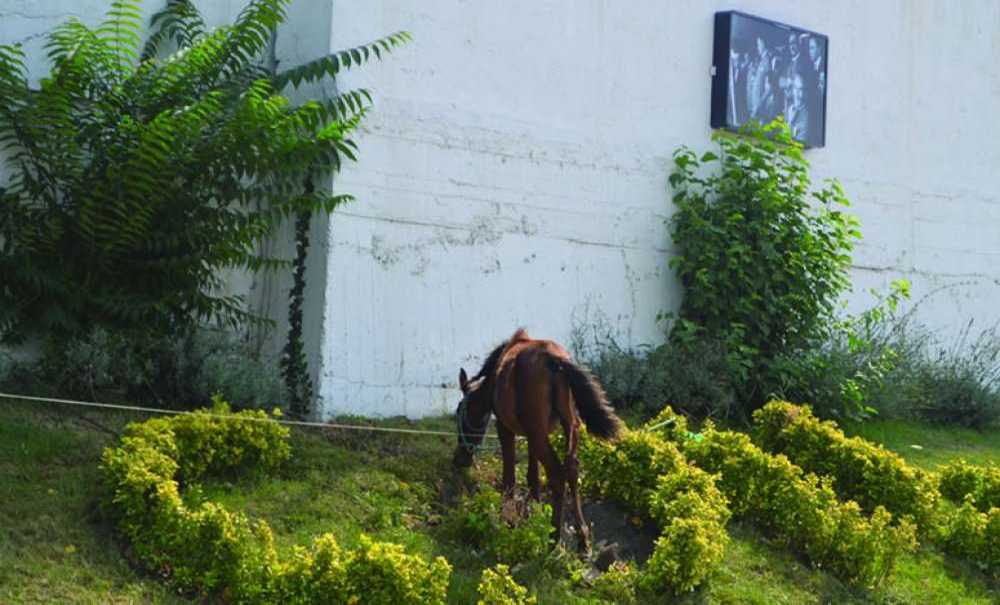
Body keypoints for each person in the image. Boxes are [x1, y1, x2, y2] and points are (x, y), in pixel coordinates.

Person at [747, 36, 773, 121]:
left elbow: (768, 89)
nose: (757, 47)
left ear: (763, 44)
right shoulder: (761, 61)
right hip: (756, 108)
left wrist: (758, 106)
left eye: (758, 44)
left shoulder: (767, 60)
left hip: (760, 109)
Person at [786, 72, 810, 142]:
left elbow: (796, 146)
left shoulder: (806, 117)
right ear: (793, 89)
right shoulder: (789, 108)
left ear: (805, 92)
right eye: (796, 88)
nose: (798, 93)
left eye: (801, 89)